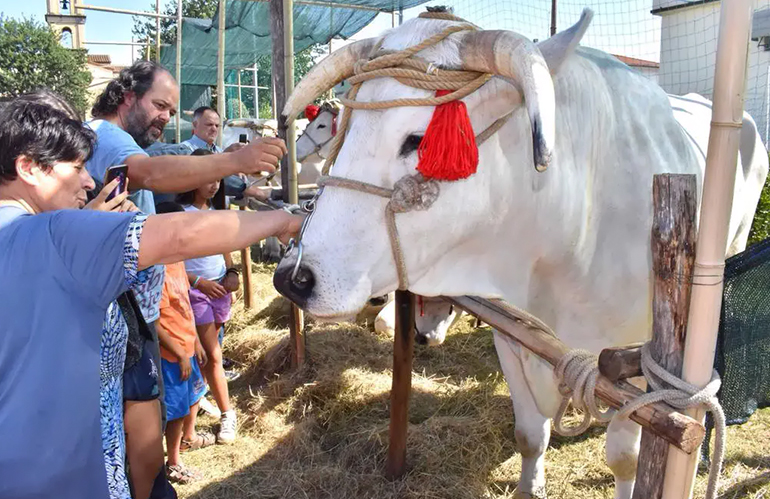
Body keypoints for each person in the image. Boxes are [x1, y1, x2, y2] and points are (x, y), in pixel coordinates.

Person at [0, 98, 302, 499]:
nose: (89, 182)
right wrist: (283, 220)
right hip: (68, 475)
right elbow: (180, 235)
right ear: (29, 168)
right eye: (76, 168)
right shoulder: (58, 234)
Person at [177, 150, 240, 443]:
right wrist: (198, 282)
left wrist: (231, 271)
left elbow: (225, 246)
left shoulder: (216, 212)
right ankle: (229, 414)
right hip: (196, 291)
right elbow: (172, 261)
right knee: (213, 356)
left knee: (208, 354)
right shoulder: (179, 215)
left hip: (218, 289)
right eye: (207, 178)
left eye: (217, 179)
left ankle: (200, 401)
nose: (214, 184)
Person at [155, 201, 212, 483]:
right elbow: (153, 319)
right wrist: (178, 352)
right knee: (174, 411)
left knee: (192, 399)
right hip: (171, 354)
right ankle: (172, 462)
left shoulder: (176, 260)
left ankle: (182, 446)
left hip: (187, 346)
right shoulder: (156, 268)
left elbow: (184, 305)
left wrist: (196, 343)